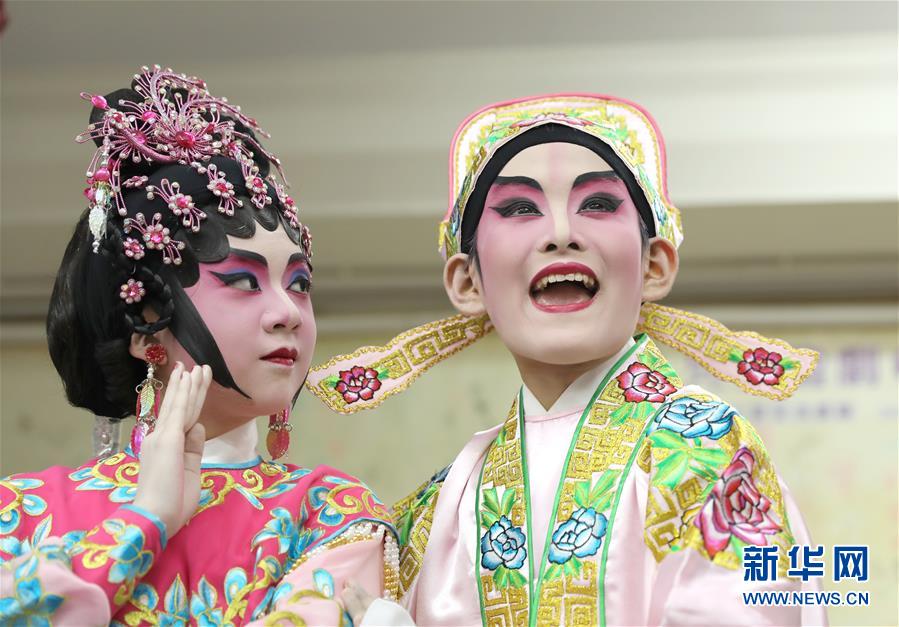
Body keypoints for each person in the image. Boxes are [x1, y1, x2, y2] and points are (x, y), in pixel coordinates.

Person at [306, 94, 826, 625]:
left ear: (654, 264)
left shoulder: (703, 450)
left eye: (597, 204)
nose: (560, 234)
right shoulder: (439, 510)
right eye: (518, 209)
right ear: (467, 281)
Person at [0, 66, 412, 625]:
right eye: (242, 281)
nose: (288, 313)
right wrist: (146, 519)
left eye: (299, 284)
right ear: (146, 324)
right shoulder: (24, 510)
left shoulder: (328, 511)